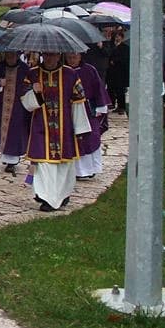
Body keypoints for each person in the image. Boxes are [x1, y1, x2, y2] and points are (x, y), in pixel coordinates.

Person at [23, 51, 89, 211]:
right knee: (43, 163)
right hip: (41, 127)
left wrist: (80, 128)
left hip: (64, 128)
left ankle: (62, 193)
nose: (49, 58)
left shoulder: (70, 74)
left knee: (64, 165)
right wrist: (34, 92)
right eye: (46, 55)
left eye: (53, 55)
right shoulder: (32, 74)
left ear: (59, 56)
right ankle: (48, 198)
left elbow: (78, 102)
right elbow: (26, 103)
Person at [65, 50, 110, 180]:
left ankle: (91, 169)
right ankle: (77, 171)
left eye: (74, 57)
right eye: (69, 57)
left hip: (88, 110)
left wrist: (101, 106)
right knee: (73, 139)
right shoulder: (64, 71)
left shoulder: (89, 70)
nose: (72, 60)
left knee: (90, 138)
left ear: (80, 57)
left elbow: (98, 88)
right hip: (69, 110)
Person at [0, 51, 34, 173]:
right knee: (2, 131)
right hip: (1, 107)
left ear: (17, 55)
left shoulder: (24, 69)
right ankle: (6, 157)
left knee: (15, 133)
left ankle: (12, 161)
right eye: (8, 55)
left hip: (18, 107)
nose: (10, 57)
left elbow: (29, 85)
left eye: (12, 55)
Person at [102, 27, 130, 115]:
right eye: (116, 36)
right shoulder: (111, 45)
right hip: (111, 71)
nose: (117, 38)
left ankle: (121, 107)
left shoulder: (125, 47)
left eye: (118, 36)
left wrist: (115, 61)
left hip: (120, 72)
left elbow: (125, 58)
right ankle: (111, 103)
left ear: (122, 37)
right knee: (110, 87)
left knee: (120, 90)